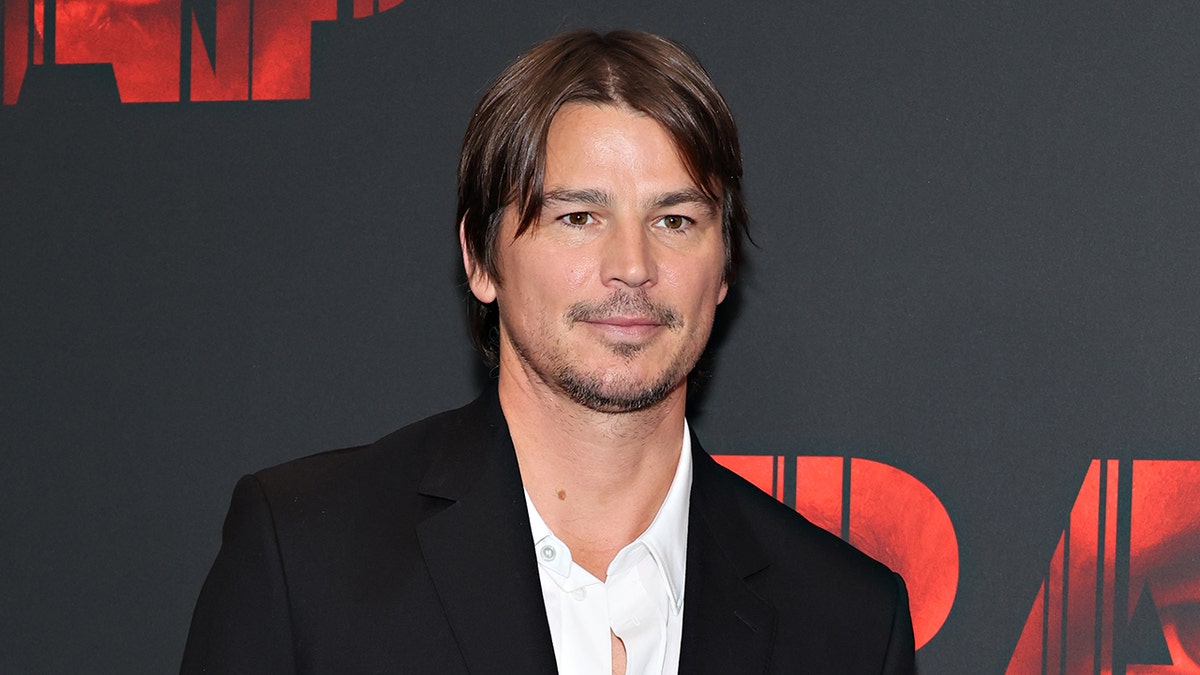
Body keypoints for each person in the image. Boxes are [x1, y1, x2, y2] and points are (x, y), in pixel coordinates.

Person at [180, 29, 915, 674]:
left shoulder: (845, 621)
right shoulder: (309, 559)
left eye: (676, 219)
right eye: (578, 215)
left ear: (723, 268)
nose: (632, 263)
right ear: (480, 258)